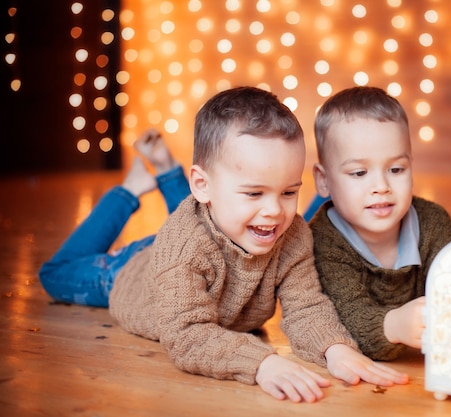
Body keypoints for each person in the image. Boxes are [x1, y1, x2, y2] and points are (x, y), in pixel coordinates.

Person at [39, 86, 408, 403]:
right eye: (254, 192)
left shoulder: (291, 234)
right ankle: (129, 190)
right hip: (132, 272)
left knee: (212, 221)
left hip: (209, 232)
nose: (274, 211)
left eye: (289, 192)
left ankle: (168, 171)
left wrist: (335, 348)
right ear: (201, 185)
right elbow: (186, 335)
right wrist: (261, 361)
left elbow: (306, 306)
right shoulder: (184, 246)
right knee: (54, 275)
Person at [307, 86, 451, 361]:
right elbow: (344, 323)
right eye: (359, 172)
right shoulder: (321, 243)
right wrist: (394, 326)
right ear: (324, 180)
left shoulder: (434, 224)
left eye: (396, 169)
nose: (381, 186)